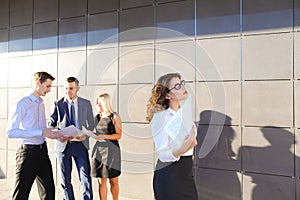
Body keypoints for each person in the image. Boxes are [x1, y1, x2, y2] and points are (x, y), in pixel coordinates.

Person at [6, 71, 61, 200]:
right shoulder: (21, 103)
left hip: (42, 152)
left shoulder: (41, 103)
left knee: (49, 192)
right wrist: (41, 132)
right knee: (21, 194)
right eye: (47, 86)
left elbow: (40, 130)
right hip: (27, 154)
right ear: (38, 83)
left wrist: (55, 134)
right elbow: (10, 132)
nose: (49, 90)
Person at [146, 73, 198, 200]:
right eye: (177, 86)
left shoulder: (184, 114)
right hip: (169, 176)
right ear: (168, 95)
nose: (182, 87)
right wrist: (182, 149)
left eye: (181, 83)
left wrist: (189, 152)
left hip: (186, 173)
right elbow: (163, 154)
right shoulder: (160, 118)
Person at [49, 77, 94, 200]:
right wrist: (58, 135)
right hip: (63, 147)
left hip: (81, 145)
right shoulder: (57, 104)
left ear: (77, 88)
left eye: (71, 88)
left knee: (85, 178)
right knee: (65, 180)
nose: (68, 91)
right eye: (66, 88)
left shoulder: (86, 103)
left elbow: (91, 124)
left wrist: (85, 135)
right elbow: (51, 125)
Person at [90, 93, 122, 200]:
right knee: (101, 181)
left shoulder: (114, 116)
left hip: (112, 151)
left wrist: (105, 136)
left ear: (106, 103)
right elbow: (93, 132)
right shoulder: (96, 118)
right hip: (99, 151)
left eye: (100, 103)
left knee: (113, 180)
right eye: (97, 103)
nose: (98, 105)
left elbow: (119, 135)